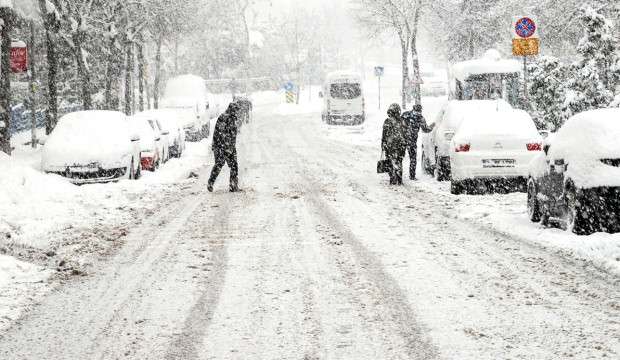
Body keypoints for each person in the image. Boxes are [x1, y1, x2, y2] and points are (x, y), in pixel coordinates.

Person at [208, 102, 240, 192]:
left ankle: (233, 185)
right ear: (232, 110)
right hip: (220, 146)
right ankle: (210, 182)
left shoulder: (233, 118)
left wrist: (231, 147)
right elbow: (221, 134)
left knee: (234, 164)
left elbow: (233, 134)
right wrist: (226, 147)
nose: (237, 112)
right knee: (219, 164)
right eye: (236, 110)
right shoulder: (224, 118)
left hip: (230, 146)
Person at [402, 104, 435, 180]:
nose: (418, 113)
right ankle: (410, 175)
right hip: (408, 141)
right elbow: (426, 129)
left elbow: (425, 129)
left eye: (419, 111)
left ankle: (403, 175)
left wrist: (432, 126)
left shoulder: (407, 115)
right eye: (417, 111)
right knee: (410, 158)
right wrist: (432, 126)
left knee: (405, 158)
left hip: (406, 140)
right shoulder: (417, 117)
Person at [381, 103, 407, 185]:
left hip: (390, 145)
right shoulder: (402, 121)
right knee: (399, 161)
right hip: (401, 145)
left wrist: (383, 144)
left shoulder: (387, 121)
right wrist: (405, 143)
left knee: (390, 161)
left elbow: (384, 134)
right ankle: (399, 179)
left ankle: (392, 178)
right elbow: (406, 133)